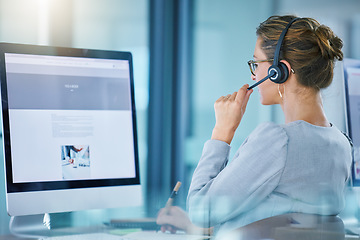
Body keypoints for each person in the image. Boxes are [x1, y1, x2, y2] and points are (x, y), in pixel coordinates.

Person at [156, 15, 352, 237]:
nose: (253, 74)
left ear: (279, 71)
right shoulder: (341, 144)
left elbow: (201, 211)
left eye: (256, 64)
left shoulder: (279, 141)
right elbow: (280, 222)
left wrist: (222, 132)